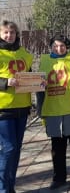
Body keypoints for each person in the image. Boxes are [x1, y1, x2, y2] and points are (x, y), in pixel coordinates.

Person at [36, 35, 70, 192]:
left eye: (62, 46)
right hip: (54, 111)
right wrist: (40, 109)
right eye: (55, 46)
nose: (59, 49)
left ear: (67, 46)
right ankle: (59, 179)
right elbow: (38, 86)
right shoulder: (45, 61)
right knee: (57, 149)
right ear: (51, 47)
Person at [0, 20, 33, 193]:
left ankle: (10, 187)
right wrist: (6, 82)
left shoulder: (24, 54)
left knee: (16, 149)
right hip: (3, 108)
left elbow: (30, 77)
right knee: (9, 148)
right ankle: (3, 188)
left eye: (12, 32)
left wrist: (37, 82)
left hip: (22, 107)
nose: (9, 35)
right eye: (5, 32)